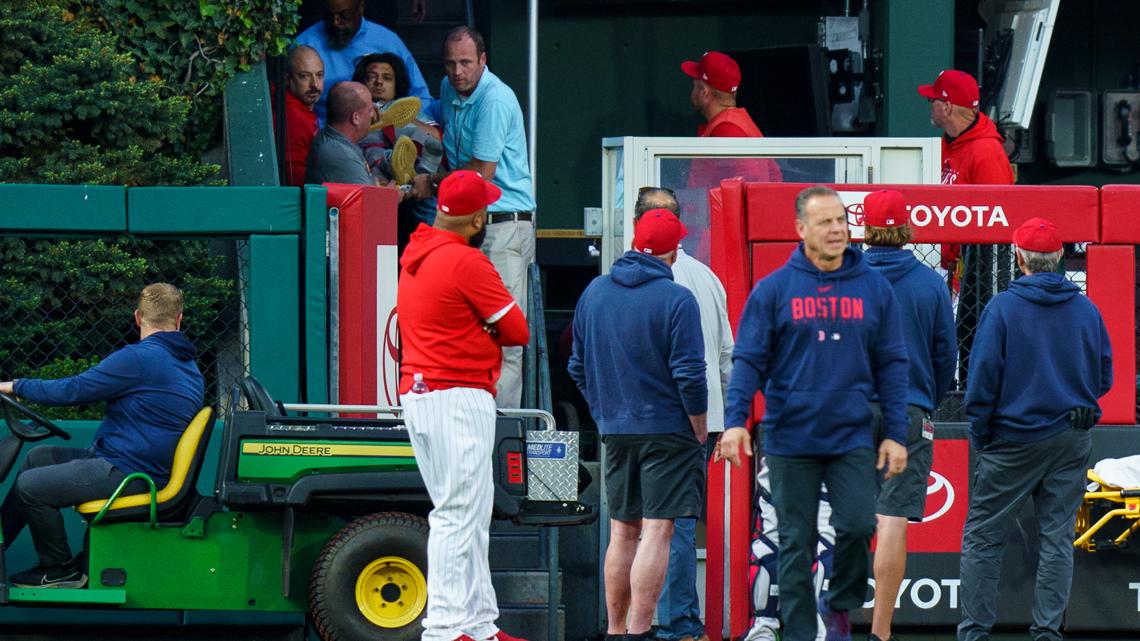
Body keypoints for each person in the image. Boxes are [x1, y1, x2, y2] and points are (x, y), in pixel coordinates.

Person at [719, 185, 909, 641]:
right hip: (790, 438)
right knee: (794, 542)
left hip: (851, 437)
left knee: (859, 523)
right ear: (801, 229)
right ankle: (802, 633)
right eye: (825, 221)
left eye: (842, 220)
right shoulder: (774, 290)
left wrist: (896, 433)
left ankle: (840, 602)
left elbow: (893, 363)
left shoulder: (874, 288)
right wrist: (734, 422)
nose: (837, 229)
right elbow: (748, 360)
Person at [958, 217, 1112, 641]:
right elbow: (1103, 378)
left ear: (1019, 258)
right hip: (1069, 435)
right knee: (1057, 538)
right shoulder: (1086, 309)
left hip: (1011, 438)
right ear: (1060, 257)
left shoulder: (1002, 307)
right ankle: (1047, 632)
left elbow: (982, 380)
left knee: (983, 538)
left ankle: (974, 633)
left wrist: (981, 432)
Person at [397, 170, 530, 641]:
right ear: (477, 219)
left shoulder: (417, 252)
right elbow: (518, 330)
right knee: (458, 514)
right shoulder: (464, 261)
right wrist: (486, 329)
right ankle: (447, 628)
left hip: (423, 393)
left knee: (469, 513)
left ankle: (479, 623)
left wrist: (478, 327)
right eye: (485, 212)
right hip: (455, 394)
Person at [0, 283, 204, 589]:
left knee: (31, 485)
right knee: (37, 458)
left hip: (132, 472)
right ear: (179, 320)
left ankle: (57, 568)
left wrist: (14, 386)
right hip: (135, 464)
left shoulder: (140, 359)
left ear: (137, 317)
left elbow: (74, 390)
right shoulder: (188, 367)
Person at [568, 208, 708, 641]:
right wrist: (699, 426)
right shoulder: (678, 299)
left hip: (617, 429)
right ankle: (640, 631)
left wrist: (605, 410)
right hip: (669, 430)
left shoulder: (594, 292)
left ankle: (614, 631)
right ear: (672, 253)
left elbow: (577, 366)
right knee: (658, 529)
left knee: (622, 530)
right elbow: (690, 373)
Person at [415, 26, 536, 410]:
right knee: (467, 329)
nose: (457, 71)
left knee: (505, 337)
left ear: (483, 60)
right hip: (470, 227)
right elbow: (428, 118)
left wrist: (429, 183)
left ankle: (501, 434)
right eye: (450, 63)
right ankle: (472, 418)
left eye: (466, 62)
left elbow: (479, 173)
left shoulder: (496, 100)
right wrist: (387, 116)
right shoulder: (449, 89)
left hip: (502, 226)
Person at [633, 188, 733, 641]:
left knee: (648, 525)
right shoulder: (707, 277)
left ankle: (666, 623)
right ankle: (676, 621)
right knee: (676, 524)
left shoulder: (634, 281)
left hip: (654, 417)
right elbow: (728, 357)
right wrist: (723, 417)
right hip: (702, 419)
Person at [861, 190, 956, 641]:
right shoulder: (930, 282)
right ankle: (881, 633)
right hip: (907, 408)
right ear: (906, 231)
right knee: (892, 518)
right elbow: (946, 355)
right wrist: (926, 401)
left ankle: (836, 622)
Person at [918, 69, 1015, 385]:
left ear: (946, 107)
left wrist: (964, 275)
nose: (929, 105)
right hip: (948, 266)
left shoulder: (986, 153)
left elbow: (999, 226)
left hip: (977, 272)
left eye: (933, 100)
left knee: (970, 340)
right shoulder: (946, 143)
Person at [680, 50, 781, 263]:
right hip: (722, 238)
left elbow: (753, 187)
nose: (692, 90)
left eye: (694, 84)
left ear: (705, 92)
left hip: (725, 243)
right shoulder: (734, 123)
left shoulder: (729, 129)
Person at [353, 52, 444, 247]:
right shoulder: (350, 112)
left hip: (413, 191)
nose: (379, 82)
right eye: (372, 77)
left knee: (422, 180)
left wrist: (397, 122)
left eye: (387, 78)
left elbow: (436, 139)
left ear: (396, 86)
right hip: (371, 188)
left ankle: (405, 171)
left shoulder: (409, 110)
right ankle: (393, 166)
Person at [295, 0, 431, 123]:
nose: (336, 22)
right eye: (330, 16)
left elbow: (421, 97)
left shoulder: (388, 41)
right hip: (326, 136)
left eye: (344, 15)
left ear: (361, 7)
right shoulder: (305, 44)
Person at [305, 81, 375, 185]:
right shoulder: (341, 155)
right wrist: (398, 193)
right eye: (370, 111)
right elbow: (372, 200)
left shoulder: (329, 137)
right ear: (356, 118)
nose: (373, 115)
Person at [278, 45, 324, 187]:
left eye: (320, 75)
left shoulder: (301, 108)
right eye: (304, 76)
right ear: (287, 79)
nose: (314, 84)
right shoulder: (295, 117)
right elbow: (296, 178)